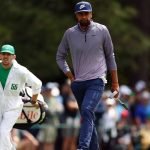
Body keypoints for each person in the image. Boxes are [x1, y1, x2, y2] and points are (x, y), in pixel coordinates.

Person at [56, 1, 119, 150]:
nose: (84, 16)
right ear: (76, 15)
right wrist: (69, 74)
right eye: (80, 14)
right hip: (78, 83)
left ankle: (82, 147)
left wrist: (115, 83)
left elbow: (110, 56)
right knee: (87, 116)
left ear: (91, 14)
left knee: (86, 110)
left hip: (97, 80)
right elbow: (60, 56)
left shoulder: (102, 30)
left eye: (86, 13)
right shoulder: (70, 33)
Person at [0, 44, 42, 150]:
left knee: (3, 132)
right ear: (0, 55)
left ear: (14, 57)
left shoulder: (21, 71)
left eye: (8, 54)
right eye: (3, 54)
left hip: (13, 107)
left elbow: (37, 83)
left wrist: (34, 100)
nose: (5, 56)